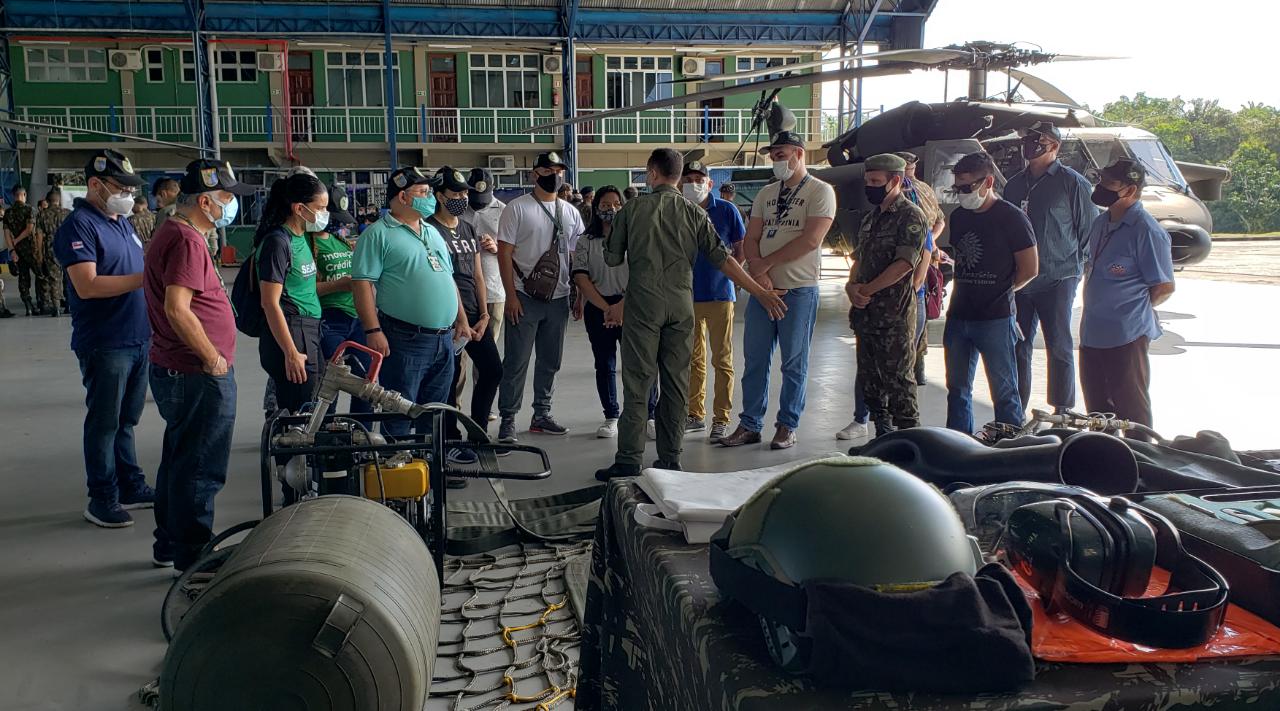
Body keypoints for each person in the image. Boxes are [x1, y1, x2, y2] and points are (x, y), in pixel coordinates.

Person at [595, 149, 785, 480]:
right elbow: (725, 259)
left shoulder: (633, 209)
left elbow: (612, 259)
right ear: (679, 176)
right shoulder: (695, 213)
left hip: (643, 306)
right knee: (676, 383)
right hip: (682, 306)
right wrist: (759, 291)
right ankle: (670, 459)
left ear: (652, 173)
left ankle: (628, 459)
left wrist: (613, 226)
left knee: (638, 384)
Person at [143, 159, 252, 569]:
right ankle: (193, 557)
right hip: (195, 371)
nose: (231, 206)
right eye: (226, 198)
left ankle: (170, 543)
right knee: (201, 465)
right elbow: (178, 308)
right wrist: (212, 358)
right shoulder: (186, 240)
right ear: (205, 202)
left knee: (181, 458)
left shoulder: (178, 232)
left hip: (180, 368)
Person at [53, 149, 155, 528]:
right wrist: (148, 278)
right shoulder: (79, 226)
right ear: (95, 184)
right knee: (105, 422)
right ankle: (102, 497)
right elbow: (88, 285)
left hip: (138, 337)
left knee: (126, 420)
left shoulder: (122, 223)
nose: (127, 195)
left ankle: (130, 484)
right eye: (120, 187)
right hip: (106, 342)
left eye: (130, 189)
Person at [720, 131, 836, 450]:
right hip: (762, 291)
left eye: (781, 154)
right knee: (755, 359)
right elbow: (752, 237)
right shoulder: (767, 193)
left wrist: (763, 266)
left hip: (798, 291)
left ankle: (787, 425)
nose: (775, 160)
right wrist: (759, 275)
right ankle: (750, 424)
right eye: (772, 155)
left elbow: (811, 240)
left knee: (793, 363)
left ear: (799, 154)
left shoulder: (820, 191)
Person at [352, 167, 474, 438]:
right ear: (403, 197)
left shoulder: (431, 231)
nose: (430, 198)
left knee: (435, 412)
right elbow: (361, 284)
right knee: (400, 408)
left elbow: (448, 277)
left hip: (443, 340)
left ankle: (428, 461)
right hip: (405, 338)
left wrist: (461, 319)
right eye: (423, 192)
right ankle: (398, 460)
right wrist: (372, 330)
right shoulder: (377, 234)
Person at [1002, 121, 1096, 415]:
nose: (1029, 145)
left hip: (1059, 277)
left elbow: (1088, 231)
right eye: (1027, 140)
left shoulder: (1073, 183)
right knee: (1018, 345)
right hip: (1021, 279)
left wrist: (1077, 272)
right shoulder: (1014, 184)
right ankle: (1016, 409)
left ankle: (1062, 409)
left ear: (1054, 146)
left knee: (1058, 344)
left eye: (1037, 140)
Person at [942, 152, 1039, 434]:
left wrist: (1001, 291)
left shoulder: (1012, 218)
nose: (963, 194)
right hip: (959, 314)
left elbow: (1030, 268)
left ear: (988, 182)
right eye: (958, 188)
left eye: (968, 187)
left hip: (996, 317)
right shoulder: (959, 217)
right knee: (957, 388)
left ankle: (1009, 443)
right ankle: (958, 441)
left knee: (1004, 390)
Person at [1079, 158, 1175, 438]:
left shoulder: (1146, 231)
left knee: (1132, 413)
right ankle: (1105, 458)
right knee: (1098, 415)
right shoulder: (1101, 223)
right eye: (1101, 181)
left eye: (1109, 184)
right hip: (1093, 332)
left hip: (1126, 335)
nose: (1100, 188)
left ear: (1130, 190)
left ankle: (1140, 458)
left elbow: (1164, 286)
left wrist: (1131, 311)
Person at [496, 152, 584, 443]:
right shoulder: (517, 209)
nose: (554, 175)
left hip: (559, 298)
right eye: (548, 170)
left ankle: (541, 414)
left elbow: (576, 256)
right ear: (535, 174)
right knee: (516, 361)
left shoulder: (570, 212)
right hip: (524, 297)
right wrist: (510, 296)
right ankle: (508, 418)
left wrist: (578, 294)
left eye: (558, 170)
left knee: (550, 360)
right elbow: (504, 254)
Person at [842, 153, 928, 438]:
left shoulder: (911, 216)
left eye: (876, 182)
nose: (870, 187)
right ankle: (883, 436)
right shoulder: (871, 218)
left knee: (899, 382)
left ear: (896, 181)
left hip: (894, 316)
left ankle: (910, 442)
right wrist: (851, 287)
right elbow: (859, 259)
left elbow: (904, 264)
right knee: (870, 381)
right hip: (866, 315)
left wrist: (867, 290)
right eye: (868, 181)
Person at [428, 167, 502, 474]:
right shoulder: (430, 230)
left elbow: (477, 275)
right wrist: (460, 319)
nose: (461, 198)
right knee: (449, 378)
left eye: (464, 193)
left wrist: (483, 314)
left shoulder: (469, 228)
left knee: (493, 370)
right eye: (455, 193)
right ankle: (450, 439)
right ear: (439, 196)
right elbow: (445, 278)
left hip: (474, 313)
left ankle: (478, 432)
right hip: (446, 316)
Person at [573, 186, 658, 439]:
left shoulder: (636, 238)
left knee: (643, 364)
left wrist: (621, 306)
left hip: (633, 304)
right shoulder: (586, 241)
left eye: (616, 204)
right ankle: (611, 415)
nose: (611, 209)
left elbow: (644, 273)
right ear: (596, 207)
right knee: (605, 363)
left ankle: (649, 415)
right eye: (605, 204)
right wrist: (607, 308)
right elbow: (581, 277)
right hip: (599, 307)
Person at [680, 160, 746, 442]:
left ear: (709, 183)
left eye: (699, 179)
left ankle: (721, 419)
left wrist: (732, 277)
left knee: (722, 359)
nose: (693, 184)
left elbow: (741, 249)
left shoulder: (727, 210)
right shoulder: (679, 210)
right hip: (687, 296)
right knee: (693, 359)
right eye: (688, 179)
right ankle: (695, 414)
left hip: (720, 295)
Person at [253, 173, 327, 414]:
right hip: (293, 331)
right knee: (298, 412)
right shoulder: (278, 242)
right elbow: (270, 302)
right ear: (299, 209)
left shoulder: (301, 237)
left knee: (312, 406)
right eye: (320, 208)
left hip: (309, 329)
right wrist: (291, 352)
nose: (324, 214)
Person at [309, 184, 370, 413]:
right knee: (331, 380)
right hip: (329, 318)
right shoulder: (307, 244)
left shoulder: (340, 241)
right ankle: (325, 428)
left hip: (356, 317)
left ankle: (360, 428)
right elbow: (303, 290)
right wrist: (339, 285)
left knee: (366, 378)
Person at [897, 151, 945, 386]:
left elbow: (939, 220)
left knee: (918, 312)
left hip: (922, 261)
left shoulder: (920, 190)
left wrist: (929, 241)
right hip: (918, 258)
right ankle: (916, 365)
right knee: (916, 314)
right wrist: (930, 242)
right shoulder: (909, 190)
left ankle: (917, 364)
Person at [465, 167, 507, 347]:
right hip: (464, 291)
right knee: (461, 349)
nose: (479, 203)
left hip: (493, 290)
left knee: (488, 350)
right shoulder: (459, 210)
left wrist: (497, 248)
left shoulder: (504, 211)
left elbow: (517, 251)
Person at [4, 185, 42, 316]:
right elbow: (30, 229)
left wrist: (12, 250)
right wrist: (18, 239)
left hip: (18, 251)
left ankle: (28, 306)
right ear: (24, 195)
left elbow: (7, 234)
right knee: (40, 275)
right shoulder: (30, 209)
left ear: (13, 196)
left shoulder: (8, 212)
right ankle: (41, 302)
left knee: (23, 277)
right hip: (32, 249)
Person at [33, 188, 71, 317]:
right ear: (59, 200)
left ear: (47, 201)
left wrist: (39, 254)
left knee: (54, 278)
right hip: (67, 247)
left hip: (51, 248)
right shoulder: (67, 213)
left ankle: (56, 308)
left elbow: (39, 236)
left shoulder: (42, 215)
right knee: (68, 277)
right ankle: (69, 305)